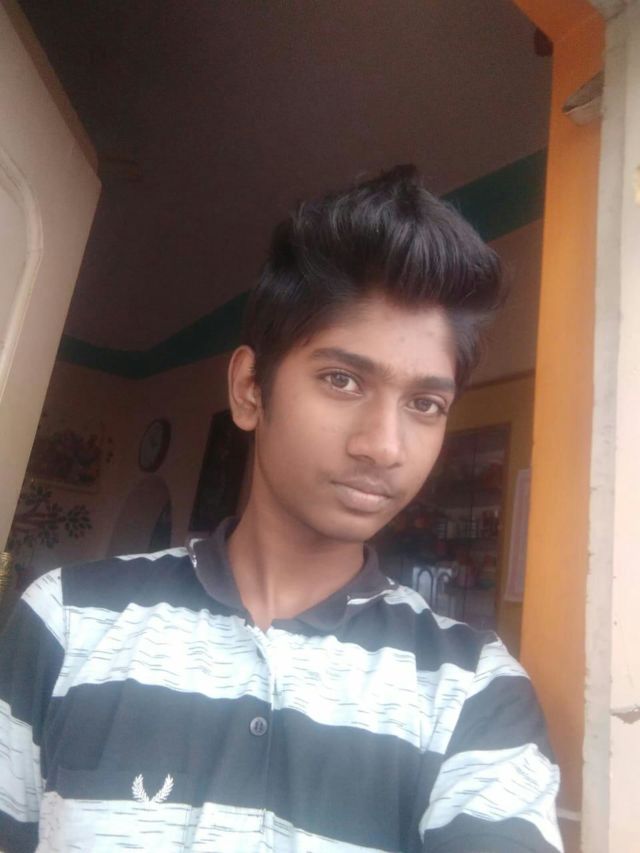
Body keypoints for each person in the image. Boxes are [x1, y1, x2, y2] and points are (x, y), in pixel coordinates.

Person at [0, 166, 563, 852]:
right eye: (342, 379)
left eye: (425, 403)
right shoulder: (68, 621)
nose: (384, 446)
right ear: (249, 389)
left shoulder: (472, 690)